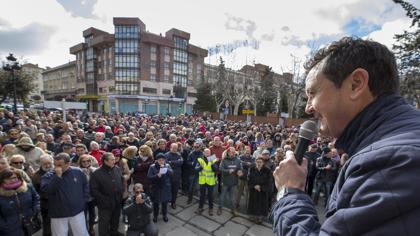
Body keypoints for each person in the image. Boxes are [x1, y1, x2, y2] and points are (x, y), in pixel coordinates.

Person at [271, 37, 420, 235]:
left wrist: (289, 192)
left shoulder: (392, 161)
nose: (308, 108)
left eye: (313, 93)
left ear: (356, 84)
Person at [41, 152, 89, 236]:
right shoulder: (48, 175)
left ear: (68, 164)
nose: (56, 168)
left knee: (81, 234)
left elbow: (85, 186)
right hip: (58, 214)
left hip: (77, 212)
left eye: (59, 165)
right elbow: (47, 191)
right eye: (55, 165)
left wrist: (83, 201)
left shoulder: (78, 172)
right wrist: (57, 177)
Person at [90, 152, 125, 236]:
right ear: (105, 161)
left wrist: (122, 192)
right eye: (112, 159)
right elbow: (93, 190)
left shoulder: (117, 169)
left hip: (117, 201)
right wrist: (104, 199)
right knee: (104, 223)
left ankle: (114, 232)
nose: (115, 161)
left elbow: (121, 181)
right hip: (105, 203)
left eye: (114, 159)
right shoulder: (96, 173)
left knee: (115, 219)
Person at [0, 168, 40, 236]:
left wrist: (35, 210)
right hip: (10, 229)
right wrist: (4, 226)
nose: (12, 180)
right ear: (2, 180)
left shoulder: (28, 187)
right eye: (8, 178)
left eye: (14, 178)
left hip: (31, 223)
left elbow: (36, 199)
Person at [31, 154, 54, 236]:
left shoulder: (57, 172)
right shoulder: (36, 176)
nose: (48, 166)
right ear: (40, 163)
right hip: (45, 205)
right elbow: (34, 192)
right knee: (47, 226)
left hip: (59, 204)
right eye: (45, 164)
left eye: (49, 163)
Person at [147, 153, 173, 223]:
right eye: (160, 160)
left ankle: (164, 215)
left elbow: (171, 174)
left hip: (165, 187)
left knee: (164, 203)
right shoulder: (152, 167)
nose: (161, 161)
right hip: (156, 188)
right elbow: (149, 177)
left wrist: (166, 169)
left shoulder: (167, 165)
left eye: (163, 160)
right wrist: (156, 176)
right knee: (156, 203)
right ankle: (155, 215)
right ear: (156, 160)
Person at [218, 147, 241, 216]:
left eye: (234, 152)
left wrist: (240, 172)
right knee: (222, 196)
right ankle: (220, 208)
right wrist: (228, 171)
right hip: (225, 182)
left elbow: (240, 168)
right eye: (231, 152)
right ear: (228, 152)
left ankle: (233, 210)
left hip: (234, 182)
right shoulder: (224, 160)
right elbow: (221, 169)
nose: (233, 153)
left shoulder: (238, 160)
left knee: (232, 198)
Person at [247, 156, 271, 224]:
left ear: (263, 163)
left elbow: (269, 181)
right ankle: (252, 216)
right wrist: (254, 186)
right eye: (257, 162)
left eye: (260, 162)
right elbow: (249, 179)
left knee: (262, 204)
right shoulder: (252, 169)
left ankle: (260, 218)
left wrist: (261, 187)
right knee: (253, 203)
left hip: (262, 191)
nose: (258, 163)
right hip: (253, 189)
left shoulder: (267, 170)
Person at [78, 154, 97, 236]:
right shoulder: (77, 171)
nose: (86, 163)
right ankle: (84, 230)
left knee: (92, 214)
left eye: (88, 161)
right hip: (82, 197)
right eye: (84, 161)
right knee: (83, 215)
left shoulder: (95, 170)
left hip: (92, 196)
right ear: (80, 162)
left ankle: (91, 228)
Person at [195, 148, 218, 215]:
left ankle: (211, 208)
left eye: (209, 153)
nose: (207, 154)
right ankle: (200, 207)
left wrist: (212, 164)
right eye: (206, 153)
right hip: (203, 181)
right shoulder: (200, 159)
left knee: (210, 196)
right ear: (203, 153)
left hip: (210, 181)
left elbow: (216, 169)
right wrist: (200, 167)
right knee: (202, 195)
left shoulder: (213, 159)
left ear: (210, 153)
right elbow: (196, 169)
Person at [165, 142, 183, 209]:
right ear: (170, 148)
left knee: (175, 190)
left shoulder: (179, 154)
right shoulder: (166, 155)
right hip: (168, 176)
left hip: (177, 176)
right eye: (173, 148)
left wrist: (171, 162)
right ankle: (166, 201)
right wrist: (176, 162)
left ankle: (173, 202)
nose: (175, 149)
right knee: (168, 190)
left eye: (176, 148)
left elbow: (181, 162)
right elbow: (166, 164)